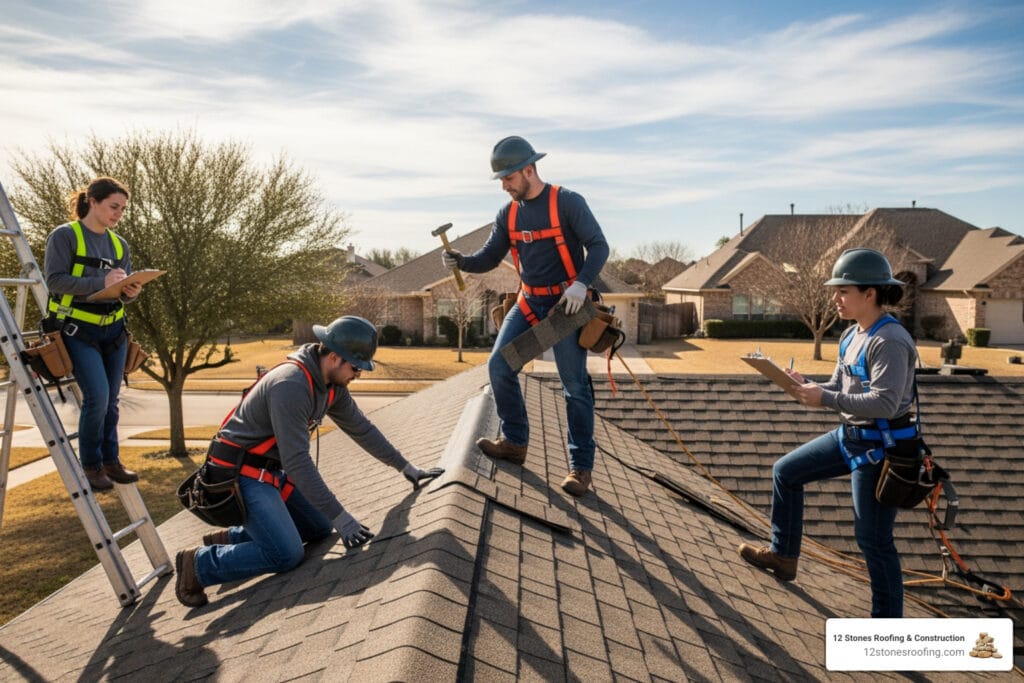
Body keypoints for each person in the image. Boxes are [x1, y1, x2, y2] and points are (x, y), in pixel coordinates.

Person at [175, 316, 444, 608]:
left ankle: (231, 539)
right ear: (333, 357)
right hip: (240, 475)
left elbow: (361, 428)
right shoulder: (291, 385)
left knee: (318, 527)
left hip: (268, 472)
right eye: (355, 367)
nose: (358, 374)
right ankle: (199, 565)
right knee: (287, 554)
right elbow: (297, 462)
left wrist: (405, 467)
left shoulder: (331, 386)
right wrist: (342, 517)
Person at [738, 248, 916, 618]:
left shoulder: (890, 341)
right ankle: (784, 556)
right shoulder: (851, 335)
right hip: (850, 436)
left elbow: (885, 403)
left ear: (870, 294)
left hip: (881, 449)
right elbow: (840, 384)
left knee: (873, 540)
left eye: (843, 291)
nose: (835, 298)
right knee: (785, 472)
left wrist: (825, 398)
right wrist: (808, 384)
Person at [442, 136, 609, 497]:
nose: (504, 185)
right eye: (501, 179)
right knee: (500, 367)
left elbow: (599, 246)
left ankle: (580, 467)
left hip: (566, 307)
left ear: (529, 169)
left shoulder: (567, 202)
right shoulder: (509, 213)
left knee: (574, 385)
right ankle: (515, 442)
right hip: (529, 302)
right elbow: (489, 256)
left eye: (508, 178)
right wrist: (462, 261)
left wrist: (581, 284)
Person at [44, 176, 143, 491]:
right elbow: (55, 281)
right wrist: (100, 282)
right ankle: (91, 465)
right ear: (93, 202)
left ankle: (111, 460)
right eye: (114, 206)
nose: (118, 214)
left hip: (113, 331)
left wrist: (130, 291)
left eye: (123, 209)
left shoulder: (119, 244)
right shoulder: (65, 236)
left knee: (112, 401)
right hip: (77, 329)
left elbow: (119, 292)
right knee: (97, 398)